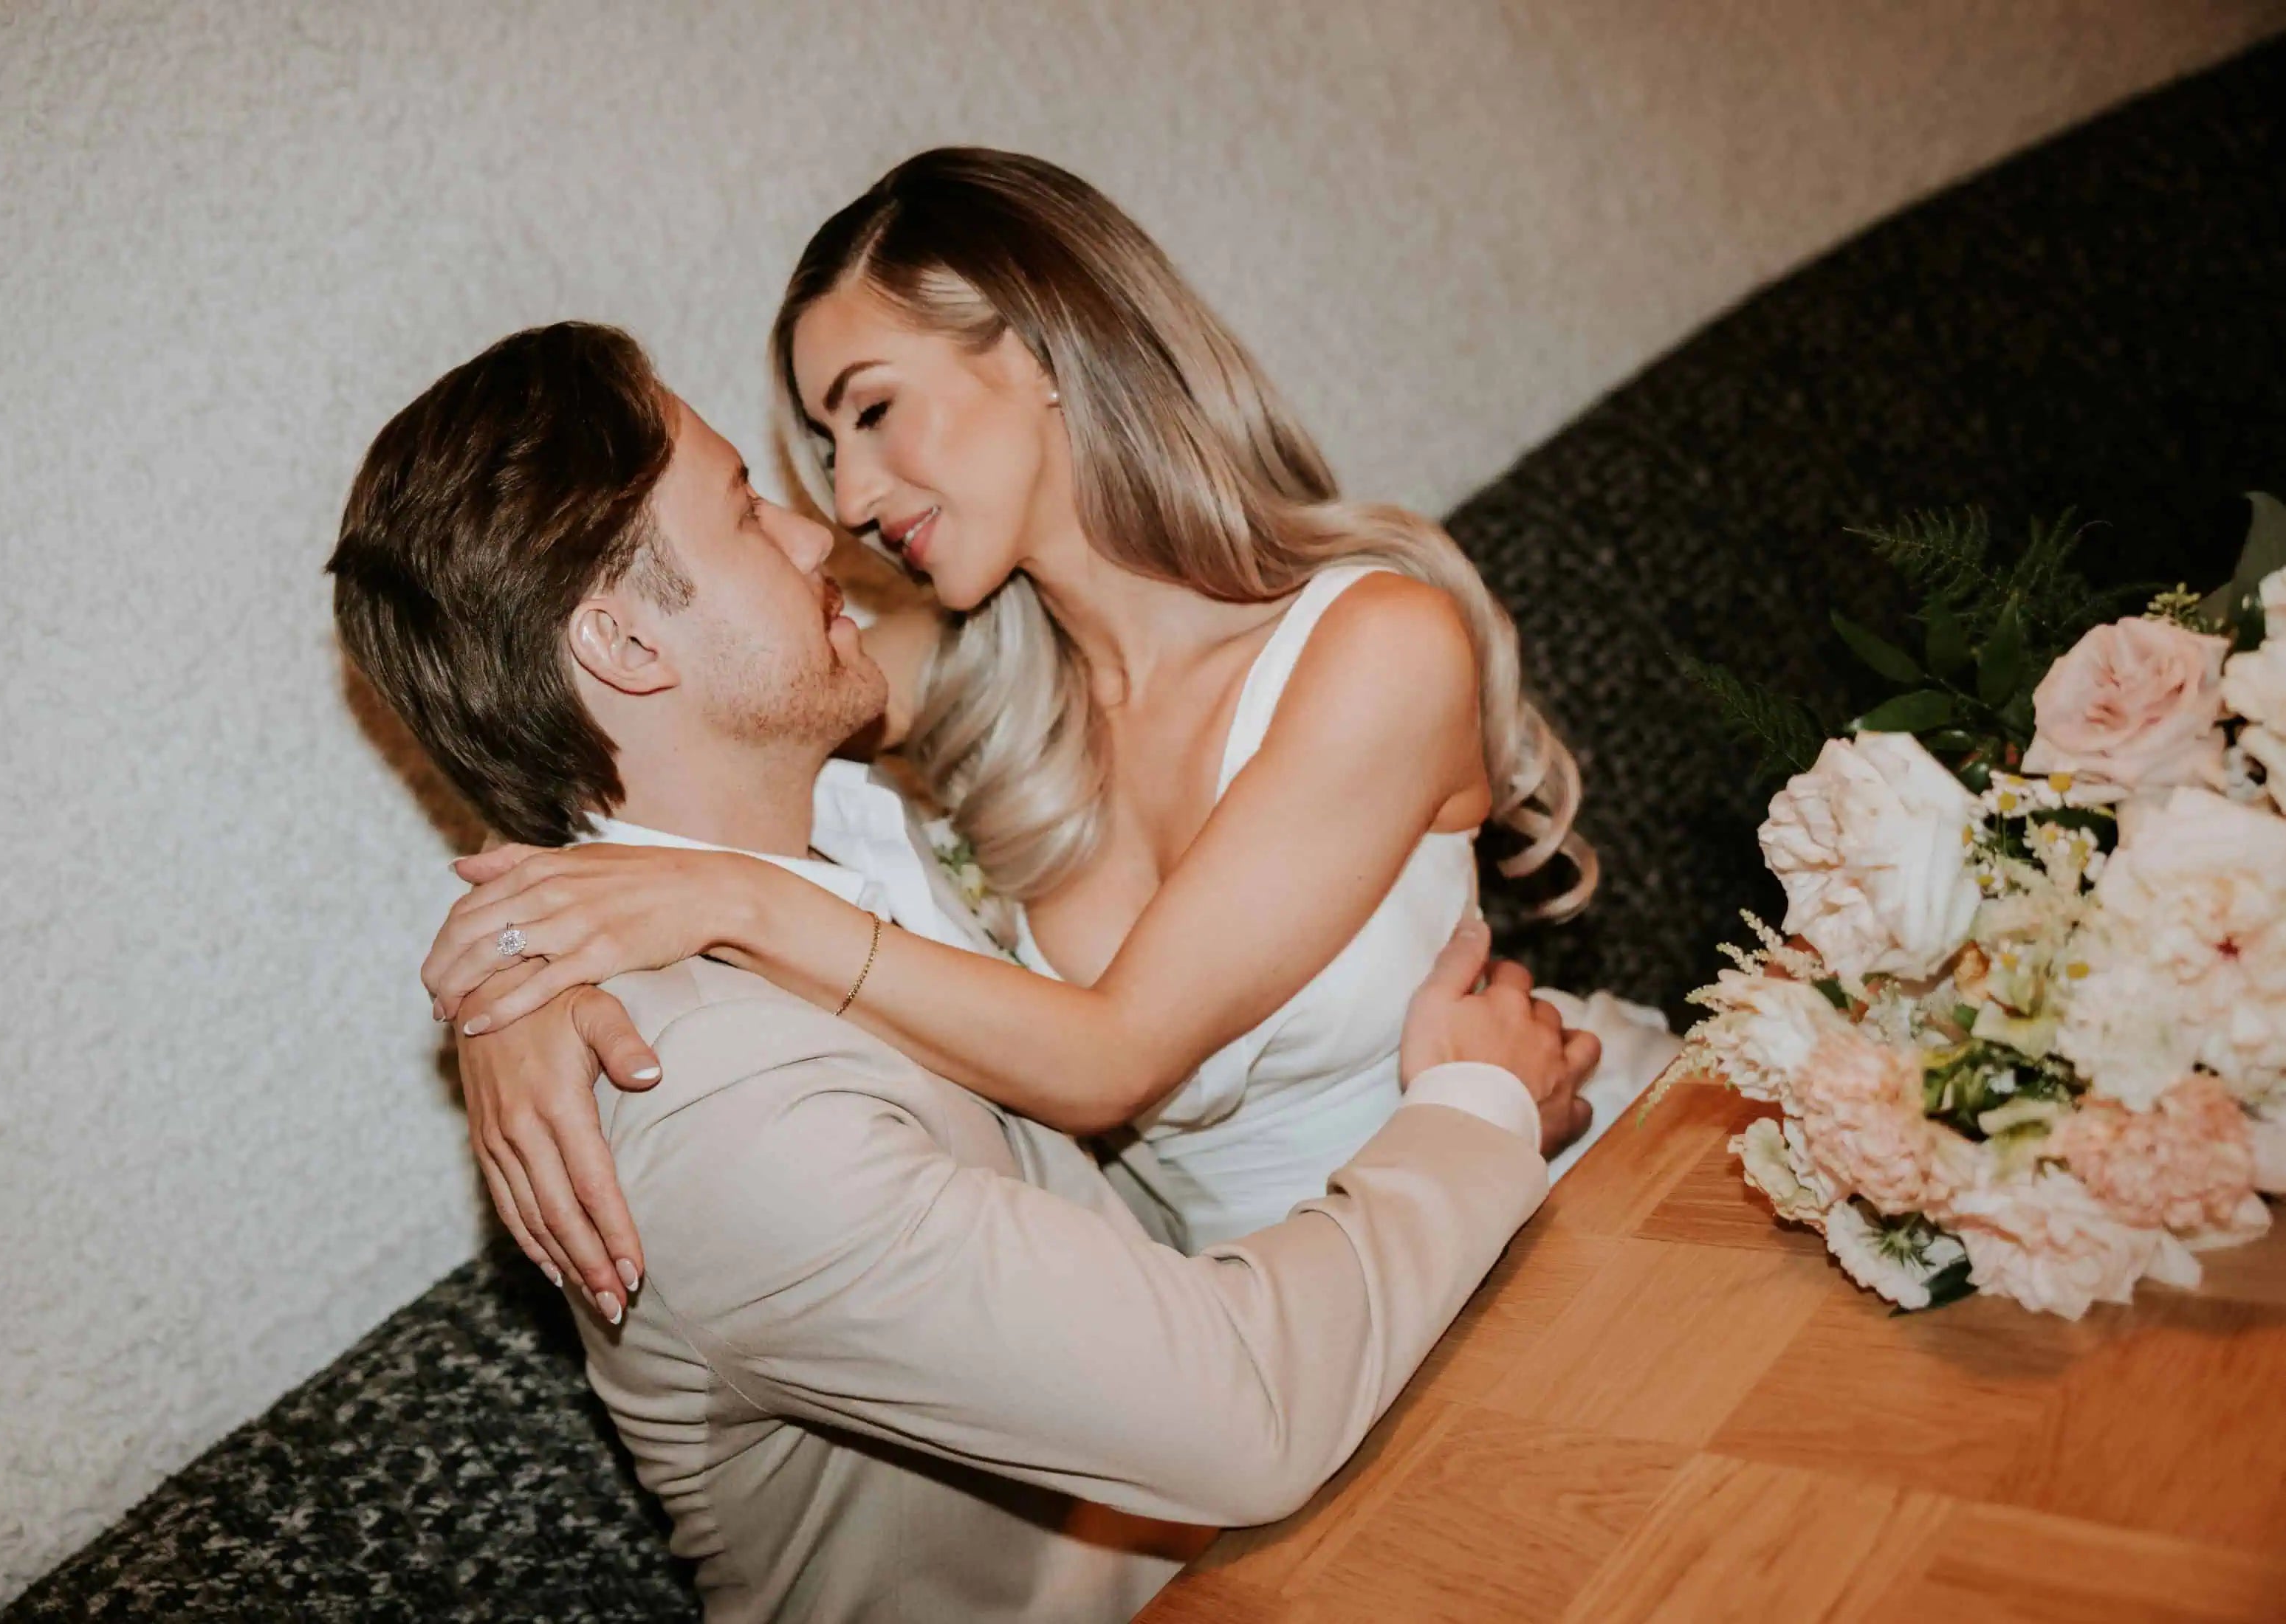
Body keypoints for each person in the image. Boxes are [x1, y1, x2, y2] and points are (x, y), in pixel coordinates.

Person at [331, 320, 1594, 1623]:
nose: (821, 530)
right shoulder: (710, 1112)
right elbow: (1243, 1417)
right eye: (748, 510)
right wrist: (1475, 1108)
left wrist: (515, 955)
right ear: (627, 647)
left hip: (1327, 1465)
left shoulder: (841, 814)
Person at [427, 148, 1676, 1301]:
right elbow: (623, 750)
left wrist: (736, 903)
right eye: (822, 443)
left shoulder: (1373, 646)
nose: (850, 498)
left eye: (869, 411)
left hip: (1573, 1218)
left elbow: (1112, 1058)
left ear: (1037, 353)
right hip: (1294, 1348)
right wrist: (519, 994)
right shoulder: (957, 674)